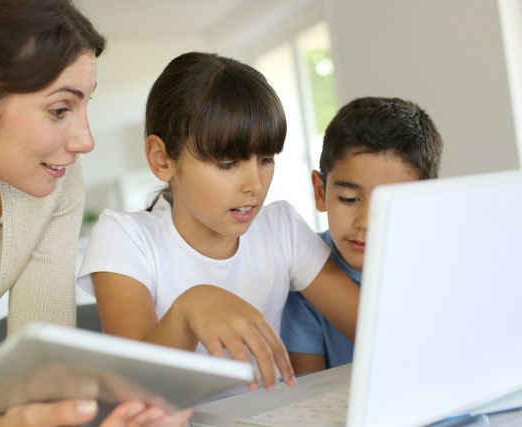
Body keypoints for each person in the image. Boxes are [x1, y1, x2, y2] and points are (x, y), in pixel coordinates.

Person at [0, 1, 190, 426]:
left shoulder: (55, 180)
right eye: (60, 110)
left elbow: (40, 374)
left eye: (86, 106)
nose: (85, 140)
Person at [77, 52, 360, 391]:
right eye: (227, 163)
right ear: (162, 159)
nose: (254, 184)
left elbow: (376, 329)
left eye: (266, 159)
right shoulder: (126, 238)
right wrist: (188, 308)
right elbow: (138, 390)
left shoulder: (281, 228)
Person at [281, 96, 443, 374]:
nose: (366, 222)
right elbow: (306, 396)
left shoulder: (442, 268)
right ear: (320, 192)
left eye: (388, 203)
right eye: (348, 198)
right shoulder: (302, 279)